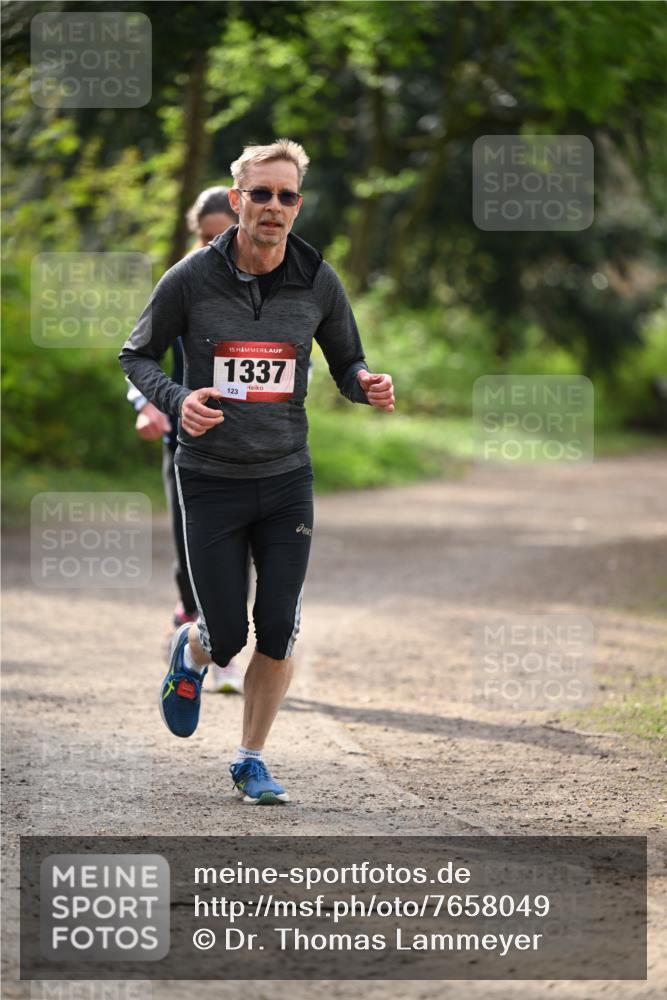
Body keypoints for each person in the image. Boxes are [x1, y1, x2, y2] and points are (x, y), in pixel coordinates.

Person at [119, 139, 395, 805]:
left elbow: (346, 363)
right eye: (262, 193)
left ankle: (250, 759)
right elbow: (137, 355)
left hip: (284, 477)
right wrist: (179, 400)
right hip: (210, 478)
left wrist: (367, 383)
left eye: (287, 195)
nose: (274, 206)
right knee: (227, 638)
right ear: (237, 198)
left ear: (298, 205)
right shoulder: (189, 278)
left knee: (276, 625)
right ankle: (191, 648)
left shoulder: (317, 279)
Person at [127, 187, 244, 694]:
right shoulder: (183, 283)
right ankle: (204, 634)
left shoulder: (266, 287)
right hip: (186, 442)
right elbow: (139, 354)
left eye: (223, 237)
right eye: (204, 237)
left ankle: (210, 632)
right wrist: (148, 405)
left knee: (244, 550)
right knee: (191, 545)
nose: (214, 247)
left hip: (248, 446)